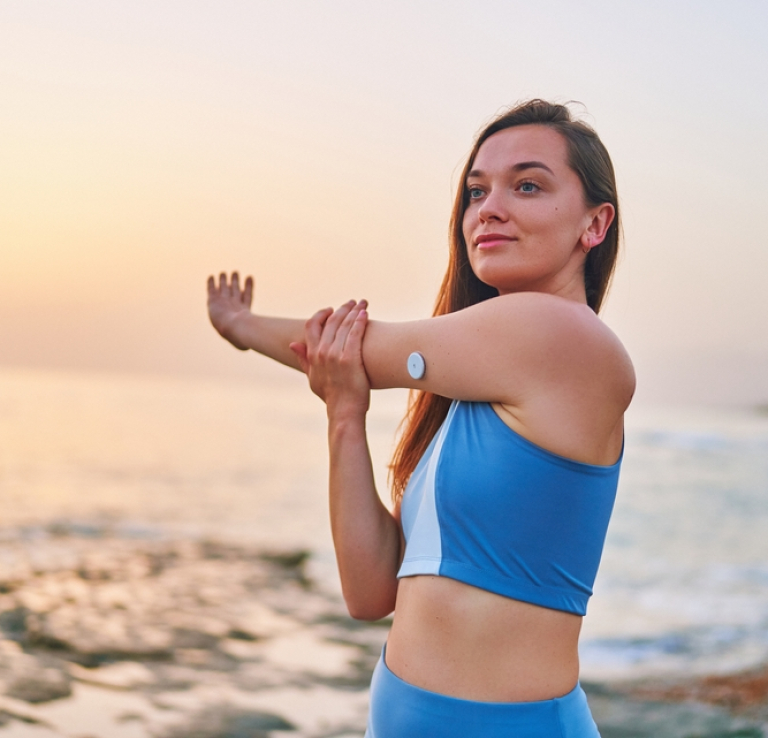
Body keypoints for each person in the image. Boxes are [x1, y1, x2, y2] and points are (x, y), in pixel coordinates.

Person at [207, 99, 634, 737]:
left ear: (594, 224)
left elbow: (360, 347)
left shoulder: (563, 335)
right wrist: (345, 416)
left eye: (527, 185)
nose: (488, 208)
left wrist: (242, 326)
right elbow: (370, 593)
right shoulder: (476, 397)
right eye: (475, 191)